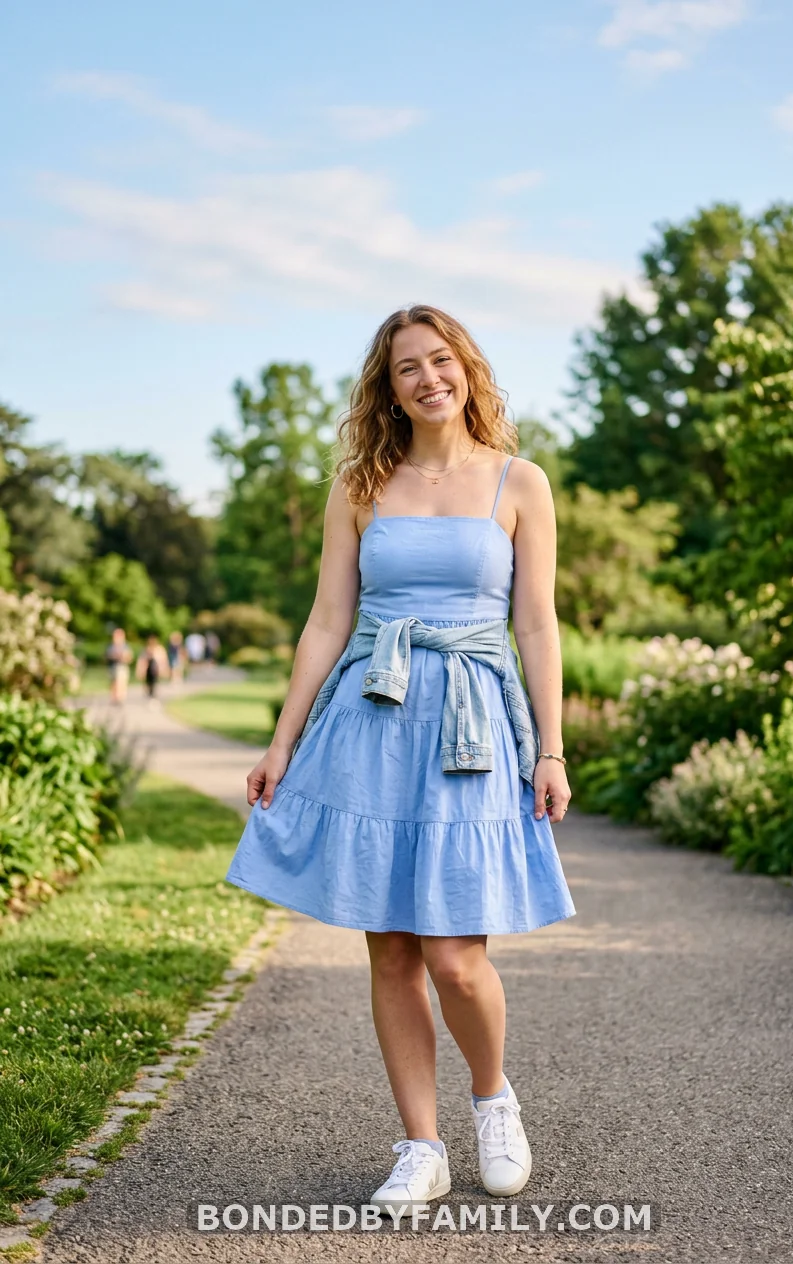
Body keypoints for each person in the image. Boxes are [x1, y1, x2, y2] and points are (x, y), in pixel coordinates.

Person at [225, 304, 576, 1214]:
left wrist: (550, 748)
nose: (428, 378)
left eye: (441, 360)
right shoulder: (361, 484)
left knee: (455, 955)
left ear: (468, 368)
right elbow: (327, 622)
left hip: (471, 729)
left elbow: (537, 625)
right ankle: (422, 1147)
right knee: (391, 953)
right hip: (373, 723)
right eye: (407, 368)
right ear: (388, 390)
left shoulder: (520, 482)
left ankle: (493, 1099)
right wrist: (282, 741)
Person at [135, 634, 170, 705]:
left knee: (155, 683)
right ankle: (150, 696)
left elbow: (163, 660)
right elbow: (142, 660)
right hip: (148, 671)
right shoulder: (146, 649)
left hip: (155, 670)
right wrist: (140, 670)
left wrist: (164, 669)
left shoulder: (159, 649)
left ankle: (154, 697)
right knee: (148, 684)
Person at [105, 627, 133, 705]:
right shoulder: (111, 646)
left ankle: (120, 697)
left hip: (122, 667)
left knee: (121, 682)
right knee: (113, 682)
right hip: (112, 667)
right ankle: (114, 697)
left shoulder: (125, 646)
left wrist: (123, 657)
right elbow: (107, 656)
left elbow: (129, 657)